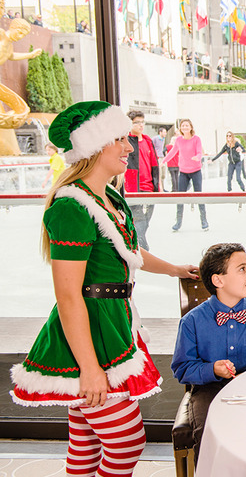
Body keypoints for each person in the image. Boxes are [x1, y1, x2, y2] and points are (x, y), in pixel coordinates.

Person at [10, 101, 198, 477]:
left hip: (112, 323)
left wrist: (174, 269)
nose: (129, 147)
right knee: (126, 442)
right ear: (94, 145)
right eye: (120, 139)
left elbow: (129, 251)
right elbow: (68, 296)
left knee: (86, 444)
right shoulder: (71, 207)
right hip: (92, 335)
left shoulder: (108, 197)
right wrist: (90, 368)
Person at [171, 243, 246, 463]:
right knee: (209, 432)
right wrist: (212, 369)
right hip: (209, 390)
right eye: (242, 269)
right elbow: (182, 368)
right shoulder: (192, 322)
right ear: (218, 280)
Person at [163, 119, 208, 231]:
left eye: (187, 125)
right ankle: (178, 222)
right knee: (180, 197)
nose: (185, 127)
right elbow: (173, 152)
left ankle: (204, 220)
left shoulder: (196, 139)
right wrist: (163, 161)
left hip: (196, 171)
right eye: (183, 125)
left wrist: (197, 157)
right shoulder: (178, 140)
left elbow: (199, 152)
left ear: (191, 127)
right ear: (180, 128)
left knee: (199, 195)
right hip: (183, 172)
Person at [124, 110, 159, 251]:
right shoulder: (126, 141)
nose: (140, 125)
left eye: (142, 122)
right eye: (136, 122)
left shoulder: (148, 140)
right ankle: (143, 250)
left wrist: (157, 187)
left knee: (145, 222)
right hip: (133, 189)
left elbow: (154, 164)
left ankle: (137, 247)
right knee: (139, 221)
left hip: (149, 188)